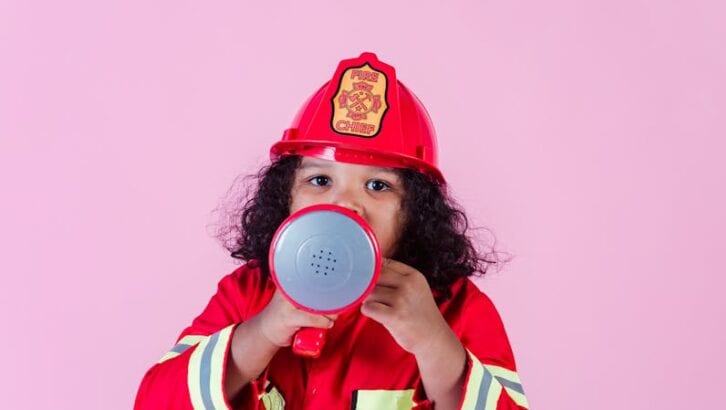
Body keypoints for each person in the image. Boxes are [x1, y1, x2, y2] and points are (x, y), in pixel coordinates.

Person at [134, 52, 529, 410]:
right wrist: (263, 331)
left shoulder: (456, 309)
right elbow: (154, 403)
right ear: (285, 196)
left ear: (415, 212)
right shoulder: (246, 293)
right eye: (320, 180)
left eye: (378, 186)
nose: (344, 204)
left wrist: (432, 342)